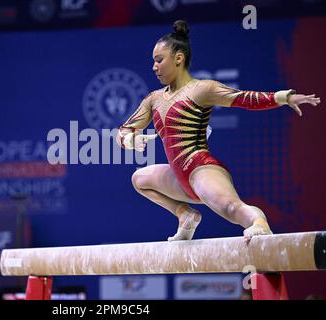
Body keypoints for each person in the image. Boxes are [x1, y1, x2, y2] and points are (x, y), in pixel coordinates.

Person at [116, 20, 321, 243]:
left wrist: (283, 97)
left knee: (232, 208)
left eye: (159, 60)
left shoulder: (201, 89)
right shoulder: (154, 99)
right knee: (139, 179)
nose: (154, 67)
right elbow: (124, 130)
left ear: (178, 58)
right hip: (179, 178)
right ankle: (185, 216)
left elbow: (244, 99)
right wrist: (129, 140)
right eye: (153, 61)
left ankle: (259, 222)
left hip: (200, 169)